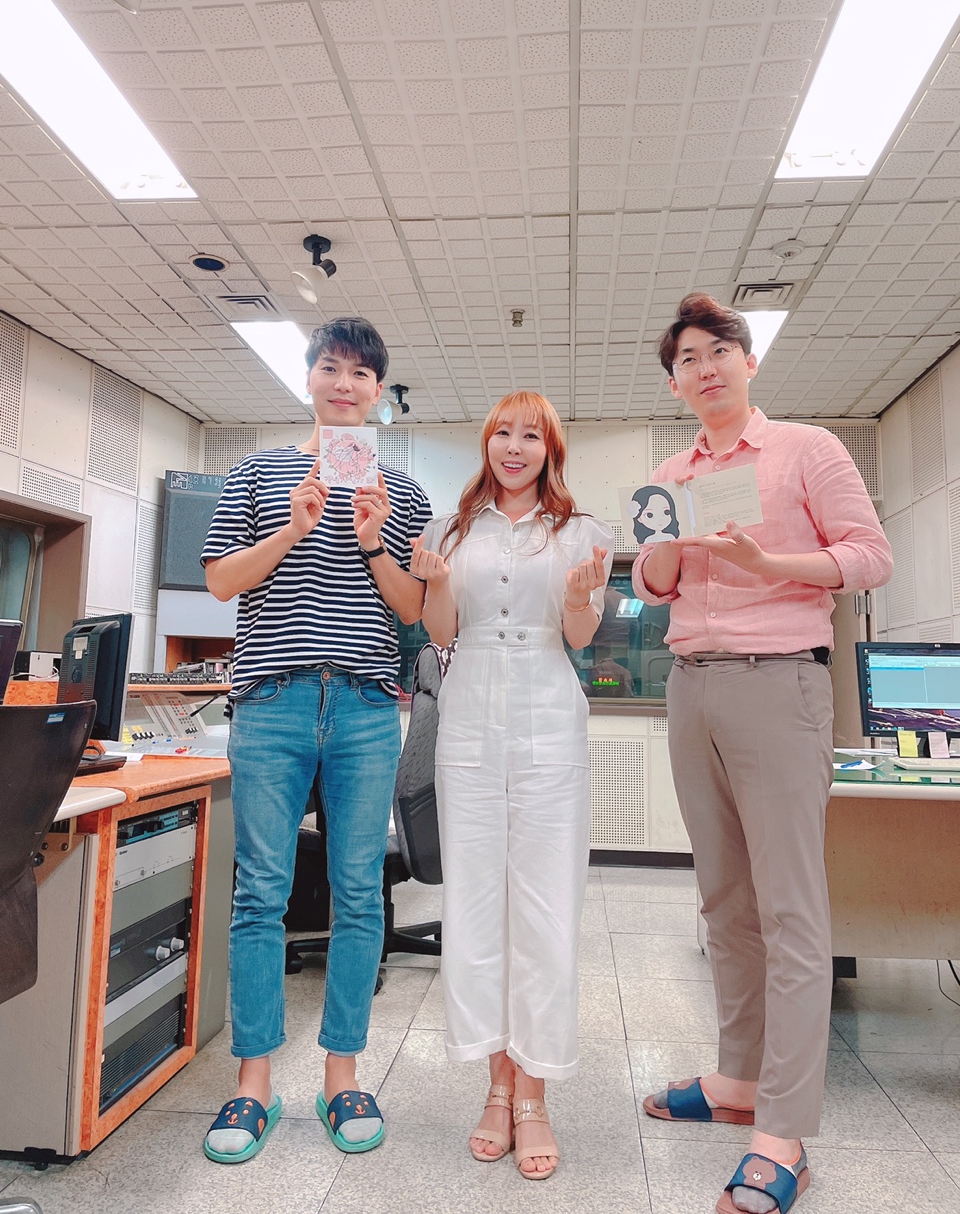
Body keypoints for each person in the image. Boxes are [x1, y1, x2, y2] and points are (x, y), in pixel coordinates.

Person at [633, 294, 893, 1214]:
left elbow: (871, 556)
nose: (705, 369)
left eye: (719, 351)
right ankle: (738, 1078)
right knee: (724, 902)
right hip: (691, 686)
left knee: (790, 909)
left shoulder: (806, 450)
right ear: (674, 383)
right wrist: (663, 550)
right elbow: (653, 587)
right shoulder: (670, 473)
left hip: (780, 681)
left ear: (749, 363)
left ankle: (783, 1128)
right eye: (688, 360)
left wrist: (770, 565)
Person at [200, 317, 431, 1163]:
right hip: (273, 700)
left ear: (378, 392)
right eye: (330, 368)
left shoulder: (404, 493)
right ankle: (253, 1082)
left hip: (366, 705)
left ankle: (343, 1075)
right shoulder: (256, 473)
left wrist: (372, 541)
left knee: (359, 893)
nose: (344, 384)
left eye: (361, 374)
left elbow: (412, 612)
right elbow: (220, 581)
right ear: (308, 379)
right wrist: (293, 527)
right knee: (259, 892)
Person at [409, 391, 612, 1181]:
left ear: (550, 450)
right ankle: (495, 1086)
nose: (515, 446)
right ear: (487, 443)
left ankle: (534, 1093)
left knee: (546, 907)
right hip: (468, 722)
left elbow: (581, 636)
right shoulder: (451, 529)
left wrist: (577, 596)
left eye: (532, 435)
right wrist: (433, 581)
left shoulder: (581, 532)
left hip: (549, 718)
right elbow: (441, 633)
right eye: (504, 432)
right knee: (476, 904)